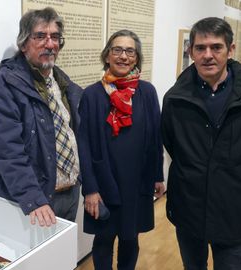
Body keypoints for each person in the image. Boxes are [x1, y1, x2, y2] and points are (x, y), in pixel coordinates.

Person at [161, 17, 241, 269]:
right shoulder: (175, 99)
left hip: (231, 208)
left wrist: (230, 170)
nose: (207, 55)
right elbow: (171, 144)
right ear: (191, 51)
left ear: (231, 50)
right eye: (200, 48)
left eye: (216, 47)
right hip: (188, 206)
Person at [0, 7, 83, 227]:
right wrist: (32, 198)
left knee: (62, 260)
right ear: (23, 43)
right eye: (40, 36)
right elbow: (7, 149)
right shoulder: (5, 84)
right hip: (34, 203)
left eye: (55, 37)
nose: (50, 44)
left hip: (69, 193)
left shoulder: (61, 82)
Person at [78, 29, 166, 270]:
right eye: (117, 50)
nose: (123, 56)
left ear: (136, 58)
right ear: (107, 55)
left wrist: (158, 175)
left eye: (130, 51)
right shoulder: (92, 95)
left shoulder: (147, 92)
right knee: (104, 238)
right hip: (104, 181)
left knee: (131, 237)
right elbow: (83, 145)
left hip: (137, 181)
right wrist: (90, 189)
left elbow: (155, 137)